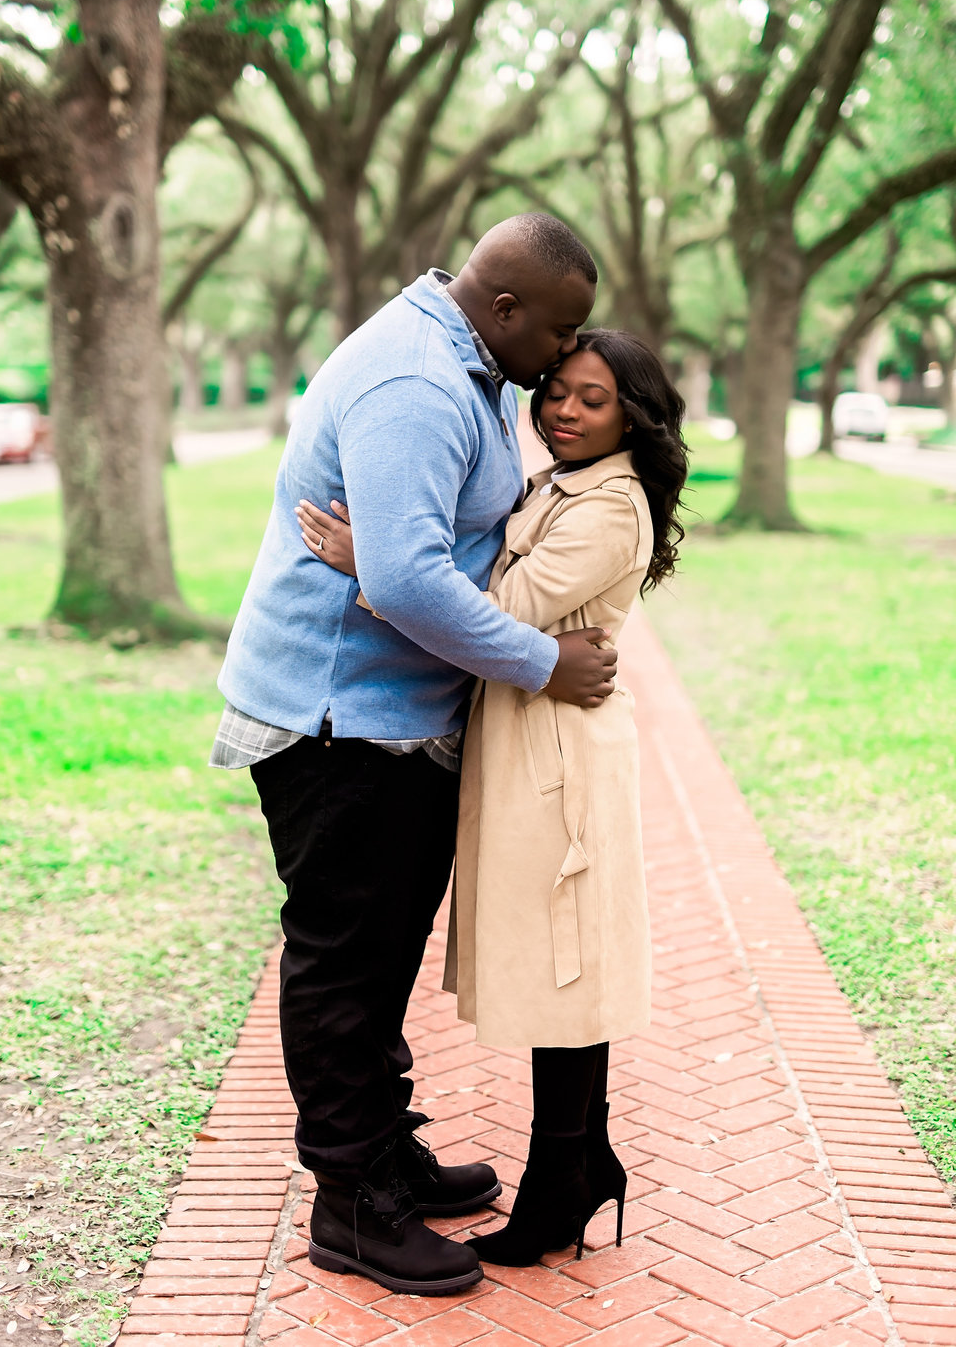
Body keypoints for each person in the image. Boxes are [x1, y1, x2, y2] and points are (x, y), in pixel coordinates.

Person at [209, 215, 619, 1297]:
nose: (568, 350)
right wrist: (541, 661)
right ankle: (351, 1203)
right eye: (561, 328)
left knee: (380, 955)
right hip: (341, 722)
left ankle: (381, 1150)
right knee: (345, 961)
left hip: (392, 721)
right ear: (503, 308)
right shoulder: (419, 383)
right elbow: (405, 579)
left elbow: (425, 546)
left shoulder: (464, 357)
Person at [298, 328, 689, 1268]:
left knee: (564, 966)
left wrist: (380, 567)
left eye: (591, 399)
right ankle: (580, 1160)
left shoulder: (612, 504)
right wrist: (411, 565)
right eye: (556, 391)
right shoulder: (563, 483)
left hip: (559, 754)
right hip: (525, 733)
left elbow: (503, 613)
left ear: (632, 413)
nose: (563, 409)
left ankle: (564, 1177)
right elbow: (491, 589)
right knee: (558, 961)